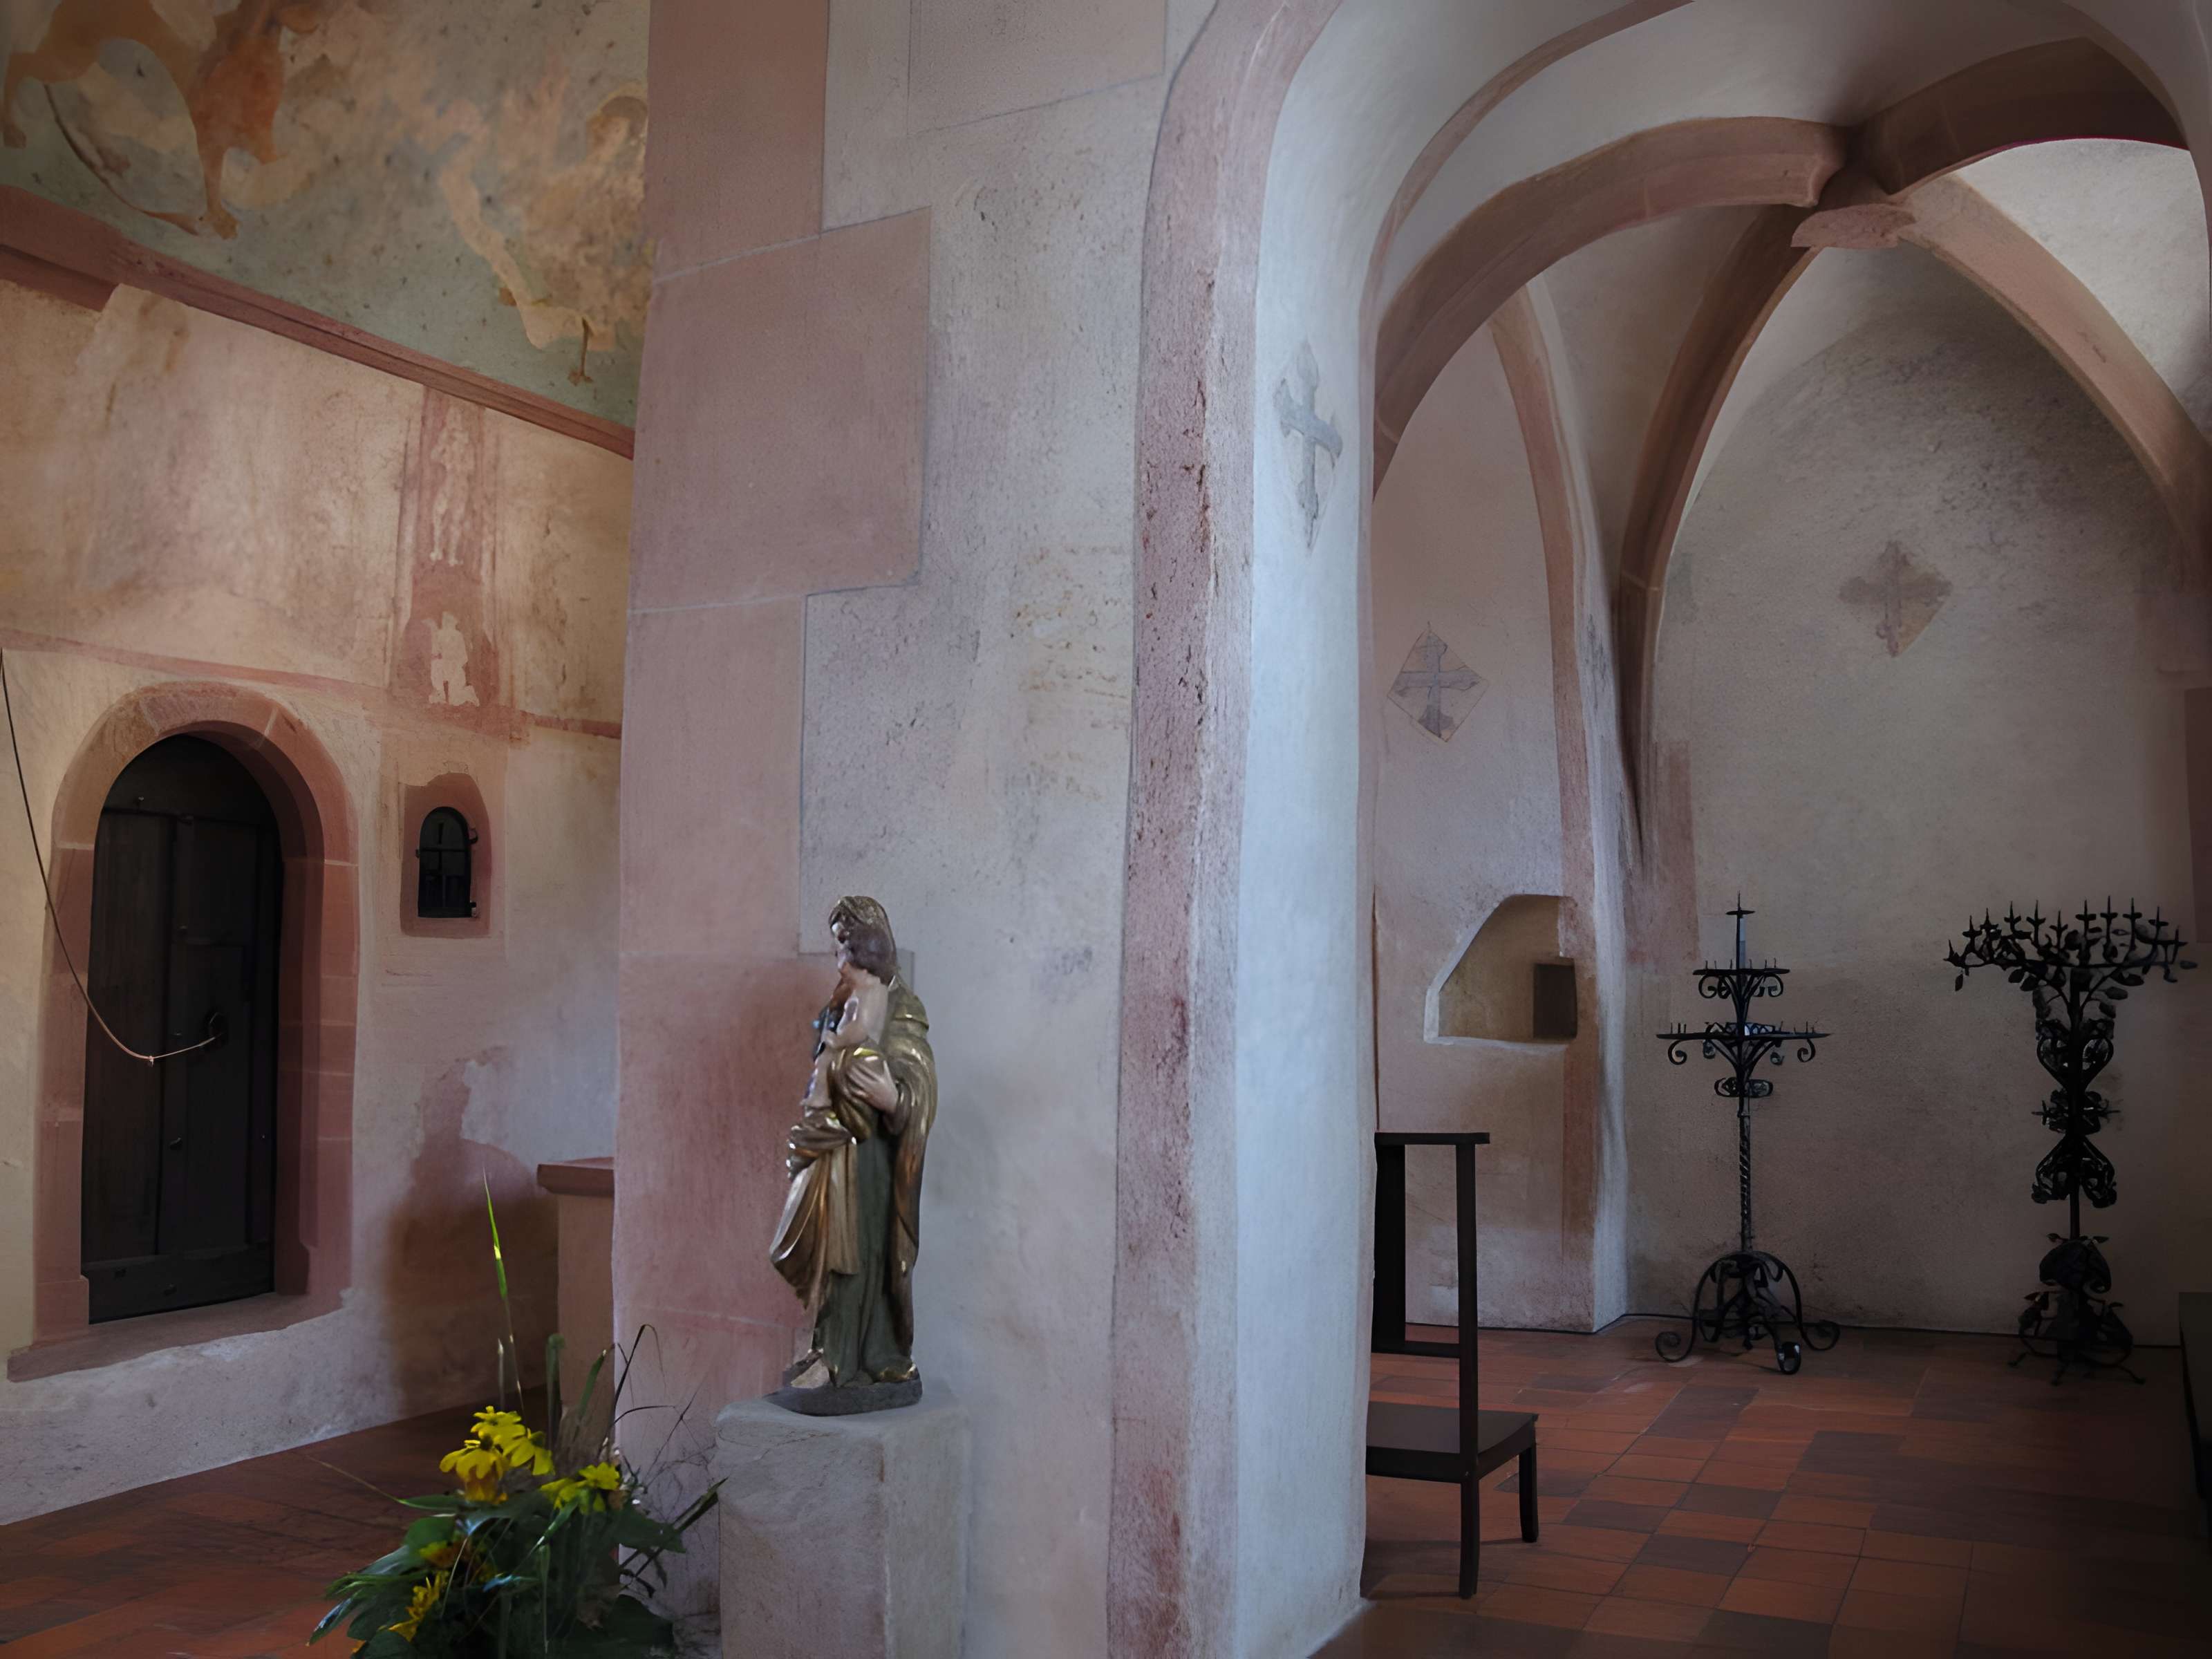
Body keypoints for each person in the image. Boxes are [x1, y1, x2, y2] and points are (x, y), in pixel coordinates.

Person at [769, 898, 935, 1394]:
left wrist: (894, 1098)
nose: (839, 951)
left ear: (869, 942)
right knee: (828, 1251)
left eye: (846, 939)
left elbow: (918, 1077)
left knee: (855, 1253)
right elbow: (826, 1059)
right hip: (835, 1142)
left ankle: (849, 1359)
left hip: (872, 1154)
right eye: (835, 942)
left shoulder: (901, 1005)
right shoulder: (841, 1001)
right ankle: (827, 1349)